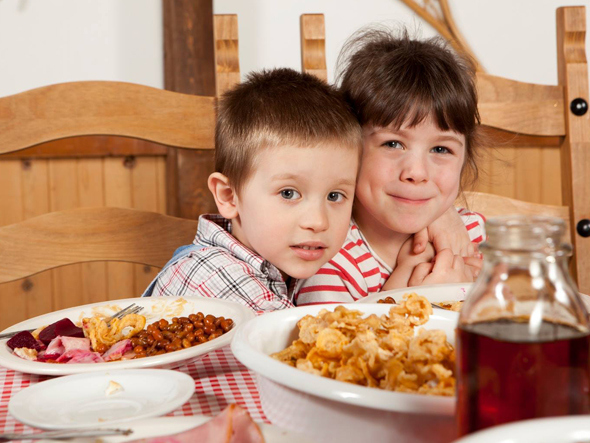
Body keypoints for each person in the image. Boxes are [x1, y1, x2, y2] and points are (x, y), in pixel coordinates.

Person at [141, 68, 362, 313]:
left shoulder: (277, 258)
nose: (318, 222)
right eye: (288, 193)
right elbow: (302, 350)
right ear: (228, 196)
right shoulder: (220, 277)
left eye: (334, 196)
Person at [295, 29, 486, 305]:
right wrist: (423, 299)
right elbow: (332, 346)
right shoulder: (328, 260)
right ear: (349, 147)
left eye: (441, 149)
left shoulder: (473, 234)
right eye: (393, 144)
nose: (416, 173)